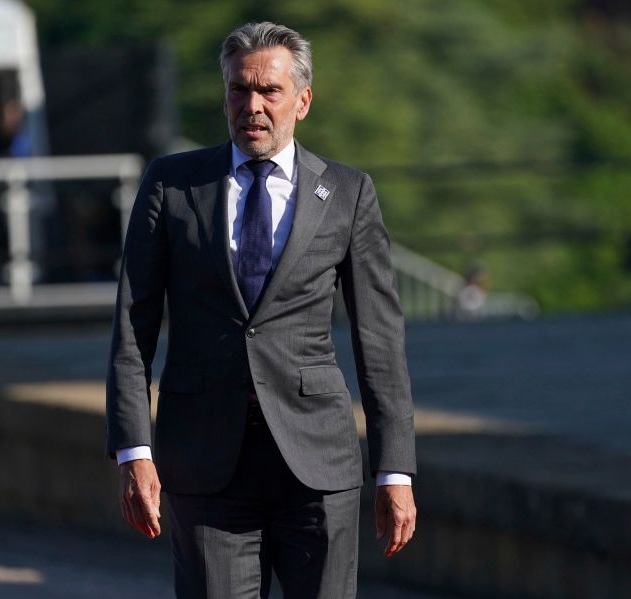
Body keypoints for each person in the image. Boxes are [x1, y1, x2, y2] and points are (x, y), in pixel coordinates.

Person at [106, 21, 417, 599]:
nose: (252, 106)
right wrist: (134, 449)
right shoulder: (172, 185)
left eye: (269, 92)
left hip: (317, 465)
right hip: (203, 462)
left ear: (302, 101)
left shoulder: (348, 194)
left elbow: (379, 340)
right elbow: (132, 327)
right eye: (238, 91)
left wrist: (393, 468)